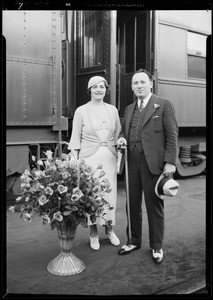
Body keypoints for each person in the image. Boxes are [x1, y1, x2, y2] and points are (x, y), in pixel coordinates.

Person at [117, 69, 178, 264]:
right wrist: (121, 140)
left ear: (150, 83)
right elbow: (123, 133)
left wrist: (170, 162)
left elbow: (172, 135)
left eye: (143, 82)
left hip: (154, 164)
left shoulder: (164, 104)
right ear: (132, 87)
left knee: (154, 205)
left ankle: (157, 246)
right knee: (132, 204)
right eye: (135, 83)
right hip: (132, 161)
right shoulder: (128, 109)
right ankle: (133, 240)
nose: (139, 86)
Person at [68, 75, 121, 250]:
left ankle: (109, 229)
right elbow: (75, 137)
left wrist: (121, 145)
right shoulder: (81, 111)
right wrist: (74, 158)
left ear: (106, 89)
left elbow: (118, 134)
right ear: (89, 90)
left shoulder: (112, 110)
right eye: (95, 87)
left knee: (109, 195)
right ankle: (93, 233)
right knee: (91, 196)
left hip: (109, 159)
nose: (99, 89)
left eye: (102, 86)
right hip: (89, 159)